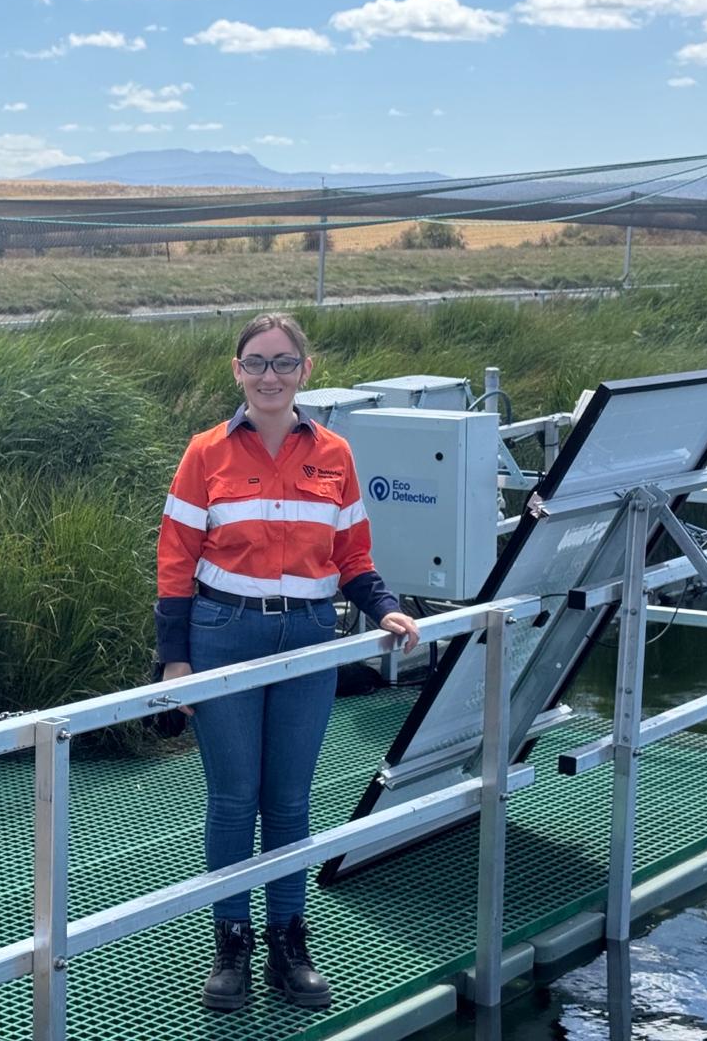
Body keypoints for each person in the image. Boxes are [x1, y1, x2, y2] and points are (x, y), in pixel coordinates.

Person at [156, 312, 420, 1013]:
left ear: (305, 370)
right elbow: (176, 562)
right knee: (234, 797)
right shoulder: (204, 453)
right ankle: (231, 942)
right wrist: (173, 660)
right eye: (255, 363)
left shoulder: (334, 454)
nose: (268, 376)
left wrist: (385, 605)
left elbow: (353, 557)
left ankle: (288, 942)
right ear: (236, 371)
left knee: (291, 799)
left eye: (282, 363)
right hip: (222, 635)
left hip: (308, 637)